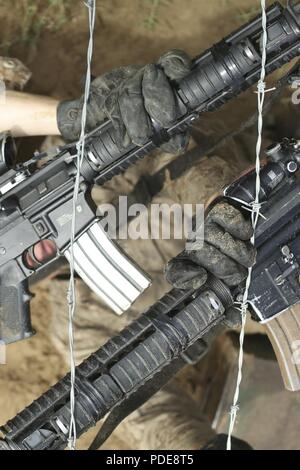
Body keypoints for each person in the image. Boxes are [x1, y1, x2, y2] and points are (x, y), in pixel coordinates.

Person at [0, 50, 255, 450]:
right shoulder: (77, 328)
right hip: (251, 302)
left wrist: (218, 205)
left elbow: (175, 147)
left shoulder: (67, 167)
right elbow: (144, 410)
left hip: (258, 205)